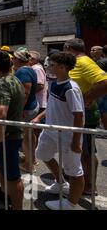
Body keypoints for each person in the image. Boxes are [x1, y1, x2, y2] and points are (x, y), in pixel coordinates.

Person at [33, 52, 85, 210]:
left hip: (67, 135)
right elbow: (51, 105)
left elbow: (78, 115)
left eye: (52, 64)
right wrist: (39, 117)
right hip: (50, 131)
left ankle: (71, 203)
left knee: (74, 170)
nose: (48, 66)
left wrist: (76, 141)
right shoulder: (55, 83)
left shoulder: (71, 88)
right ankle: (61, 183)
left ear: (63, 68)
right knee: (42, 154)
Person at [64, 38, 107, 196]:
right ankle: (80, 181)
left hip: (85, 115)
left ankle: (89, 186)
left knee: (86, 151)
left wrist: (86, 99)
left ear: (69, 48)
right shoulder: (78, 62)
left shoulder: (84, 62)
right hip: (75, 114)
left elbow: (104, 82)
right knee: (79, 150)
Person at [0, 50, 25, 210]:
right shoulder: (14, 80)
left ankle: (16, 207)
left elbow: (1, 112)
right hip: (5, 135)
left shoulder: (2, 84)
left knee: (13, 177)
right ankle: (4, 192)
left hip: (6, 137)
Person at [12, 48, 39, 173]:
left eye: (14, 58)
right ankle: (32, 158)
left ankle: (29, 164)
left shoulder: (23, 71)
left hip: (26, 109)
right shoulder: (30, 69)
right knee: (30, 134)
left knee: (25, 137)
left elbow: (26, 92)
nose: (12, 60)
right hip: (31, 107)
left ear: (18, 59)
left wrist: (19, 109)